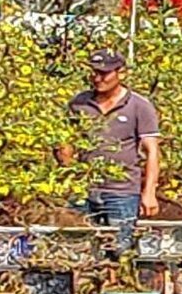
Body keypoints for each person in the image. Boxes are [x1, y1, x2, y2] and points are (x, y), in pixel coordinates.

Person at [60, 49, 161, 252]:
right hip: (84, 192)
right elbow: (65, 142)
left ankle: (117, 283)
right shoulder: (79, 104)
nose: (97, 78)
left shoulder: (139, 106)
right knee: (77, 251)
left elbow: (152, 152)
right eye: (94, 72)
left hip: (121, 193)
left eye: (104, 73)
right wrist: (70, 177)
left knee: (119, 252)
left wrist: (149, 193)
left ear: (121, 73)